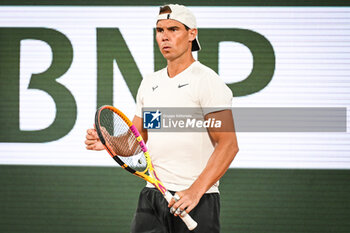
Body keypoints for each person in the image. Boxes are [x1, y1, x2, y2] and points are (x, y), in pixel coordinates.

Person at [85, 4, 239, 233]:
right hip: (153, 197)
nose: (165, 37)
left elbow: (228, 145)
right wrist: (109, 141)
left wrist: (195, 191)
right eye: (160, 30)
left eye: (173, 29)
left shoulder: (206, 81)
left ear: (192, 33)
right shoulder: (150, 84)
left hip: (198, 199)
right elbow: (135, 142)